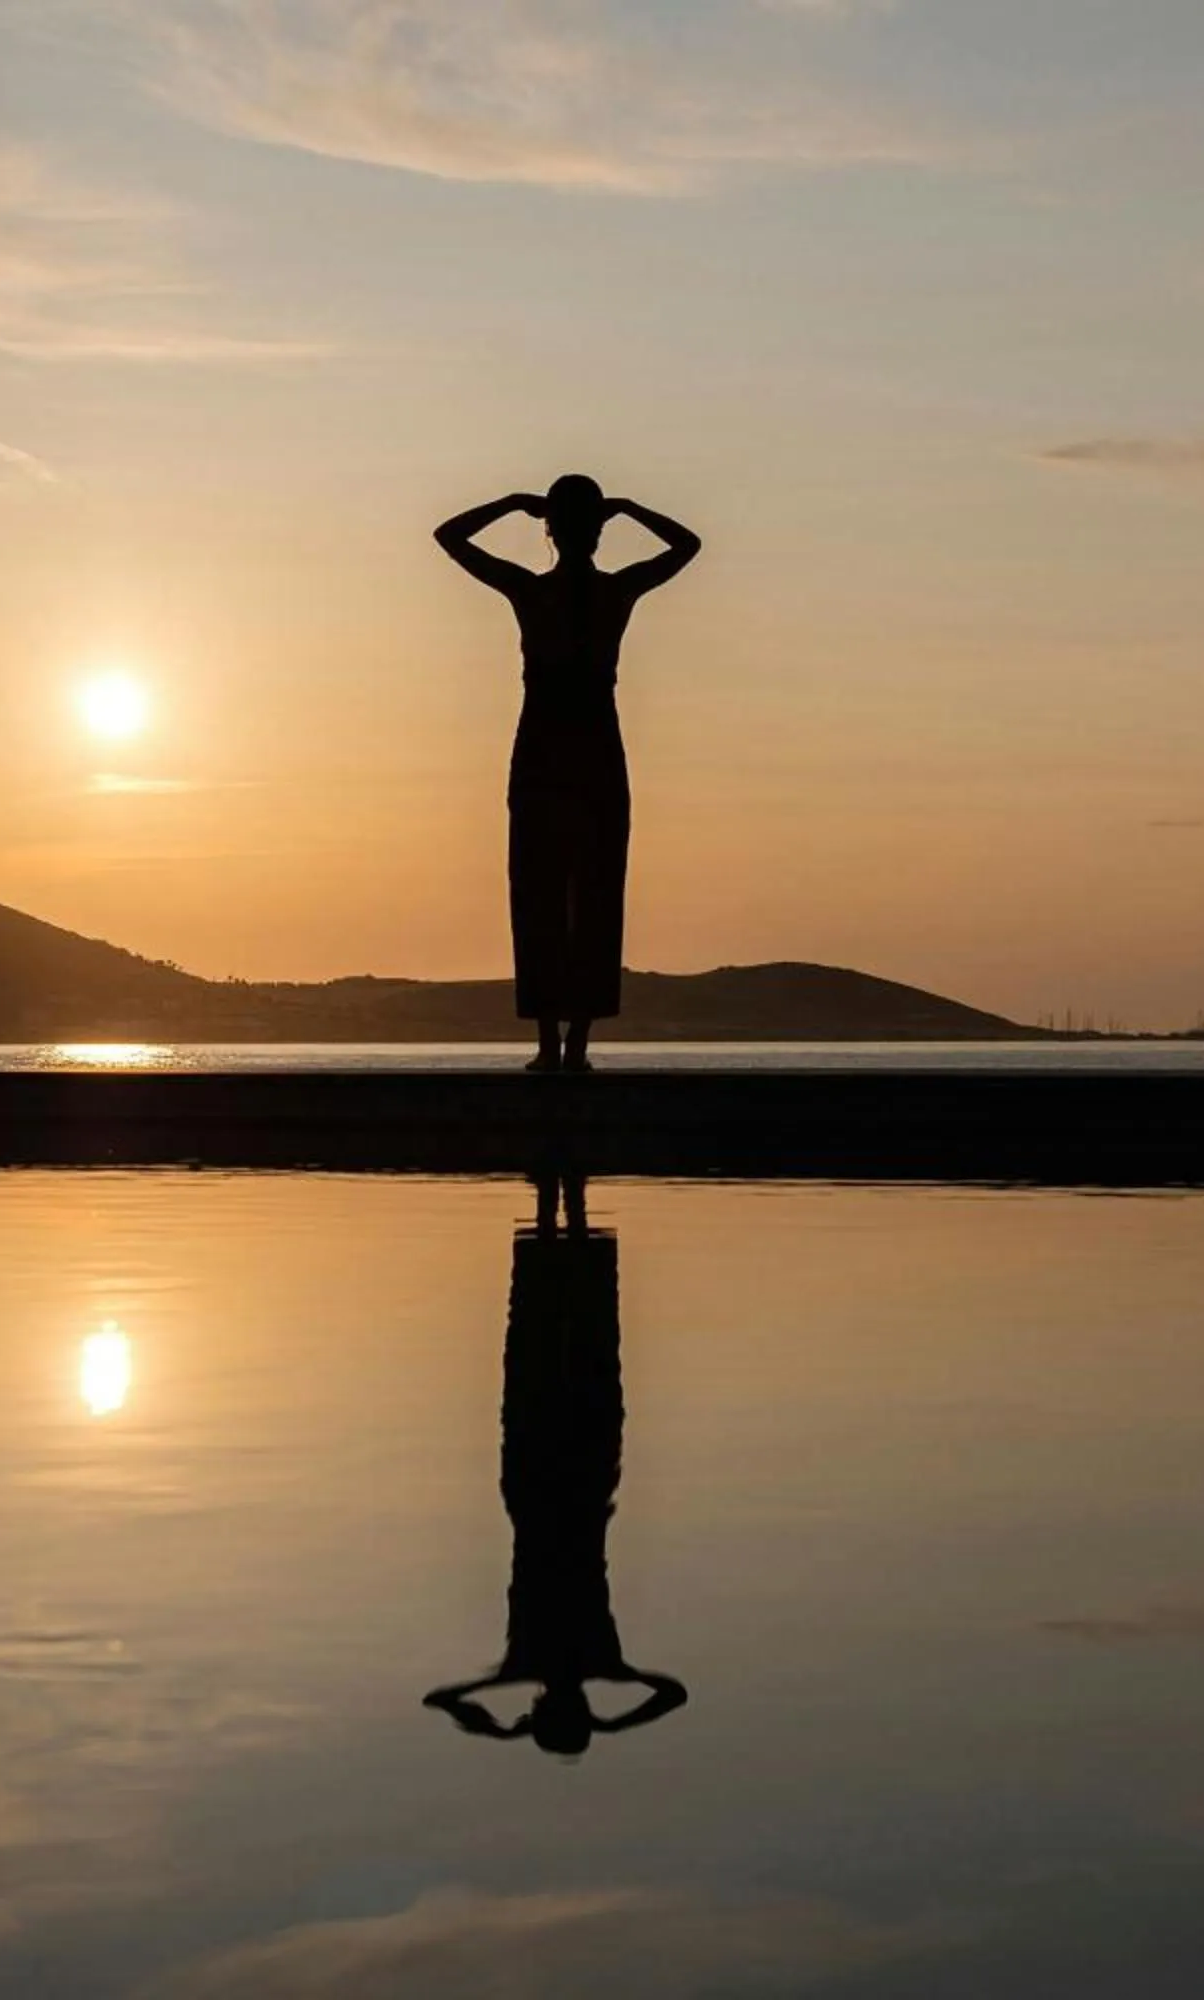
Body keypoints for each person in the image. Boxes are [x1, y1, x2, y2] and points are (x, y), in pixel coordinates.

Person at [435, 477, 702, 1072]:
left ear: (550, 530)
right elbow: (687, 545)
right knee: (591, 888)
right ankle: (570, 1045)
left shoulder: (536, 591)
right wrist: (630, 508)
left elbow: (450, 536)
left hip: (550, 743)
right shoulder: (612, 590)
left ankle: (554, 1045)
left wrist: (513, 505)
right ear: (599, 530)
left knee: (543, 888)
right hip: (588, 744)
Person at [423, 1174, 688, 1757]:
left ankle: (554, 1207)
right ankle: (561, 1207)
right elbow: (445, 1702)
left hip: (566, 1487)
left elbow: (671, 1695)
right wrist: (506, 1722)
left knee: (552, 1360)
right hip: (555, 1488)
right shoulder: (557, 1662)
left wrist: (604, 1714)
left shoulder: (580, 1662)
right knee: (557, 1361)